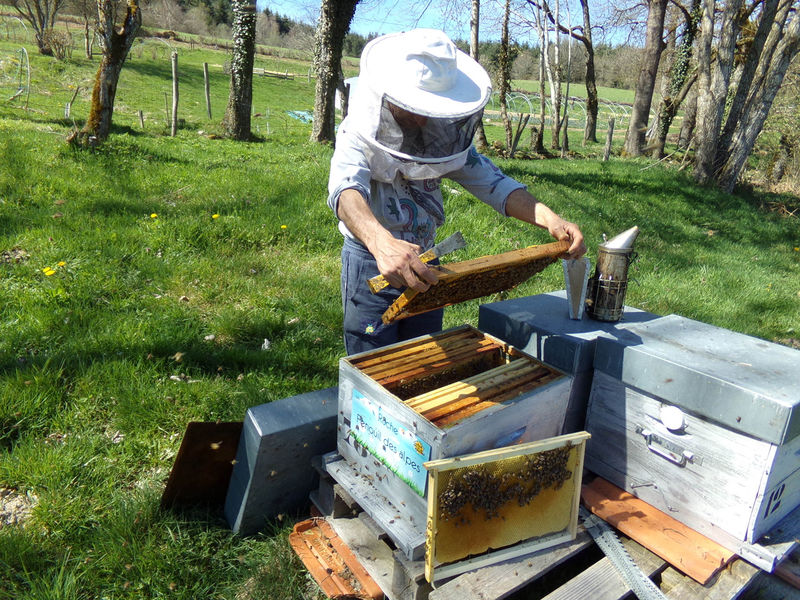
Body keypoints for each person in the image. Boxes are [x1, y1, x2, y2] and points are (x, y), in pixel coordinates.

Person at [327, 28, 586, 355]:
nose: (423, 120)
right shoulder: (357, 132)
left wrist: (551, 219)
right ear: (390, 98)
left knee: (424, 356)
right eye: (415, 108)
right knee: (371, 358)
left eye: (430, 110)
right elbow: (345, 191)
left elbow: (494, 183)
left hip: (428, 262)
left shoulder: (440, 135)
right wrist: (381, 243)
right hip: (372, 262)